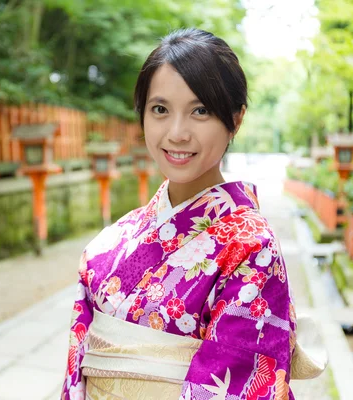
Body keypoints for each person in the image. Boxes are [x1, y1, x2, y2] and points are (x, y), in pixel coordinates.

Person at [60, 28, 325, 400]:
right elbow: (77, 373)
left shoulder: (252, 247)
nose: (177, 133)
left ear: (237, 118)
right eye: (160, 110)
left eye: (200, 110)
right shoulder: (108, 244)